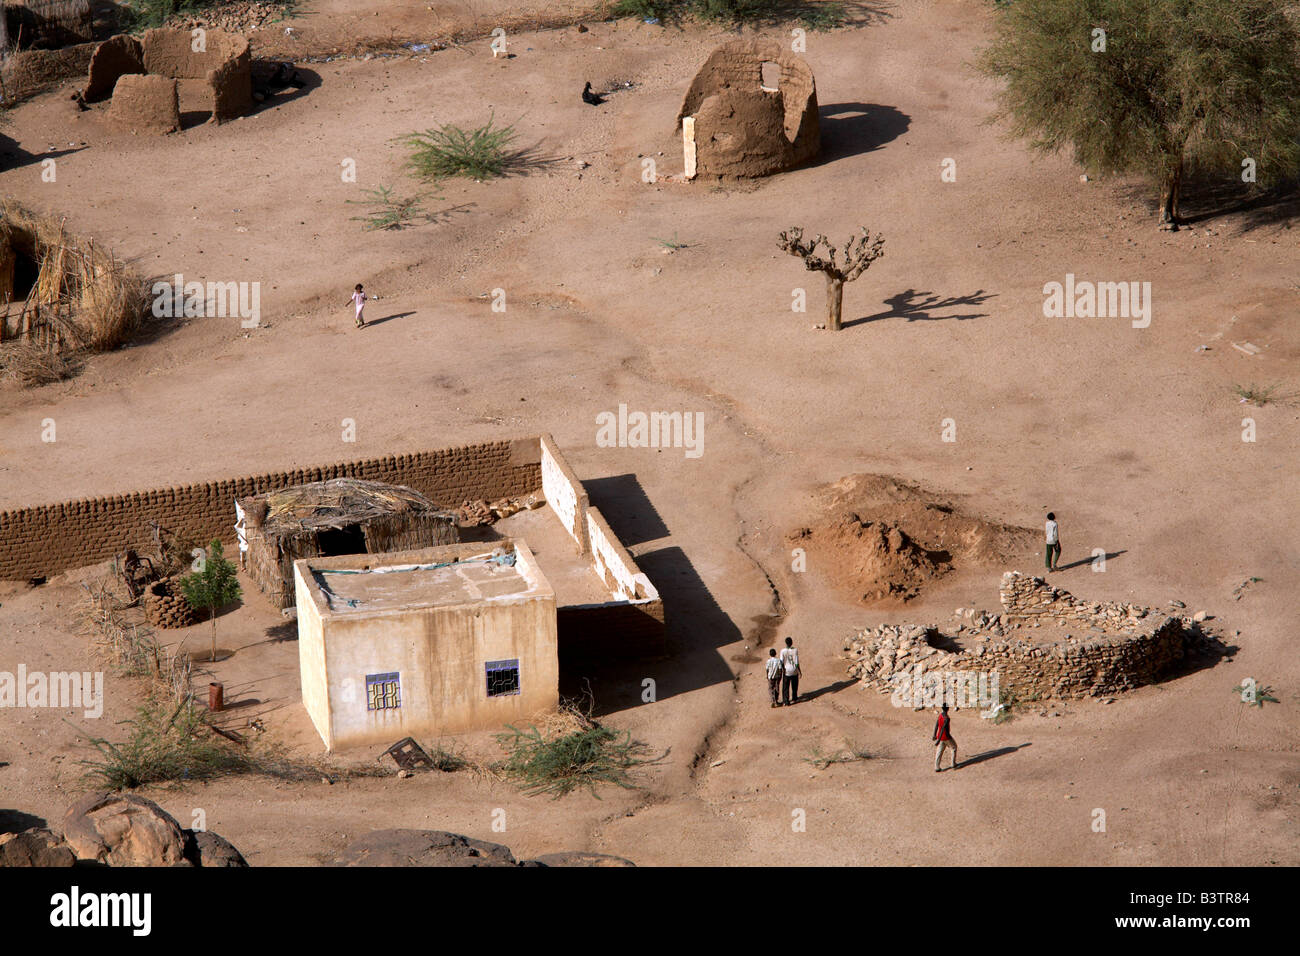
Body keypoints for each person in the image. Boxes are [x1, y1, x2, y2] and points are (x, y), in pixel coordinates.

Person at [934, 704, 958, 772]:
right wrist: (939, 740)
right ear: (948, 709)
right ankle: (953, 764)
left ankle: (937, 767)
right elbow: (944, 729)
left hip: (940, 736)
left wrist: (934, 735)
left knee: (939, 751)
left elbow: (937, 724)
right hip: (945, 737)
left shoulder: (940, 715)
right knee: (954, 747)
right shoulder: (947, 718)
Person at [779, 636, 801, 705]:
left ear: (786, 643)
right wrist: (799, 671)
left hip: (787, 671)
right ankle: (794, 697)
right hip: (794, 670)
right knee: (794, 685)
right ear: (792, 643)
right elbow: (797, 662)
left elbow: (781, 662)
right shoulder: (795, 650)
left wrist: (783, 669)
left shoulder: (783, 651)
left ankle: (786, 701)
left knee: (785, 686)